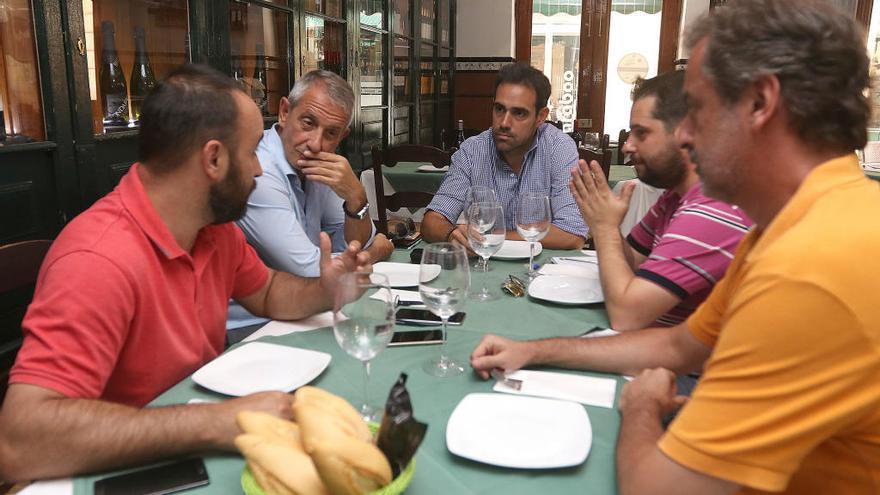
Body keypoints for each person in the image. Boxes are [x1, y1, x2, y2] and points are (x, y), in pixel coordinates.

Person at [472, 0, 880, 493]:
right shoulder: (795, 222)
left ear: (760, 103)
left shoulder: (809, 264)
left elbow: (654, 487)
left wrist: (642, 403)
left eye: (700, 109)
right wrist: (531, 351)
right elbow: (675, 344)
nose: (684, 135)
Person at [0, 64, 370, 481]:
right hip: (110, 473)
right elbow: (20, 442)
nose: (260, 170)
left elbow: (267, 291)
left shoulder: (213, 228)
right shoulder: (97, 258)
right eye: (251, 153)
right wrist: (217, 423)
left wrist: (326, 289)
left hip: (190, 445)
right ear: (213, 158)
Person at [569, 70, 751, 332]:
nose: (627, 146)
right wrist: (602, 218)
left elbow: (626, 315)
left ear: (686, 133)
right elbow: (632, 262)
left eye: (641, 134)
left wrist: (604, 228)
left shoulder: (713, 210)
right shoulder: (673, 197)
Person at [229, 70, 393, 328]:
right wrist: (375, 254)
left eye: (331, 134)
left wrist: (357, 198)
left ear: (343, 137)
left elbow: (353, 245)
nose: (316, 144)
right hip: (252, 329)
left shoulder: (316, 165)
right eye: (308, 123)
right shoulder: (258, 171)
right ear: (284, 112)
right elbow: (312, 271)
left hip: (303, 314)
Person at [421, 63, 588, 250]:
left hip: (541, 271)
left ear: (541, 116)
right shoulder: (472, 151)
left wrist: (491, 239)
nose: (504, 123)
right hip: (483, 269)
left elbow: (572, 234)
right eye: (499, 109)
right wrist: (451, 234)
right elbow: (431, 222)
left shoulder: (559, 148)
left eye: (519, 113)